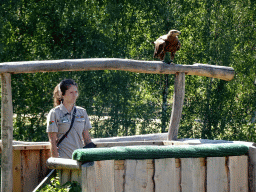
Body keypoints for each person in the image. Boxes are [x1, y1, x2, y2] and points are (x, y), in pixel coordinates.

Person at [46, 79, 95, 159]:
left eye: (76, 92)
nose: (74, 95)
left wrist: (91, 158)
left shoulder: (82, 112)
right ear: (62, 94)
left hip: (79, 160)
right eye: (71, 92)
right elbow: (52, 140)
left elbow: (87, 138)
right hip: (63, 160)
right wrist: (55, 161)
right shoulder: (54, 113)